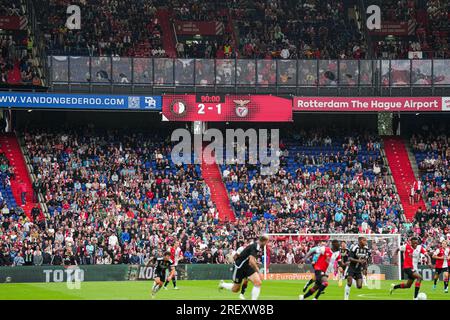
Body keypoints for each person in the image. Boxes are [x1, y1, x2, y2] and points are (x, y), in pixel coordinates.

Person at [218, 235, 269, 300]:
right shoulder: (255, 246)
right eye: (267, 242)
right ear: (264, 241)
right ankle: (223, 284)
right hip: (239, 267)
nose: (267, 244)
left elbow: (251, 261)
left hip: (247, 266)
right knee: (235, 289)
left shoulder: (257, 246)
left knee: (258, 282)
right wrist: (259, 272)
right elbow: (251, 261)